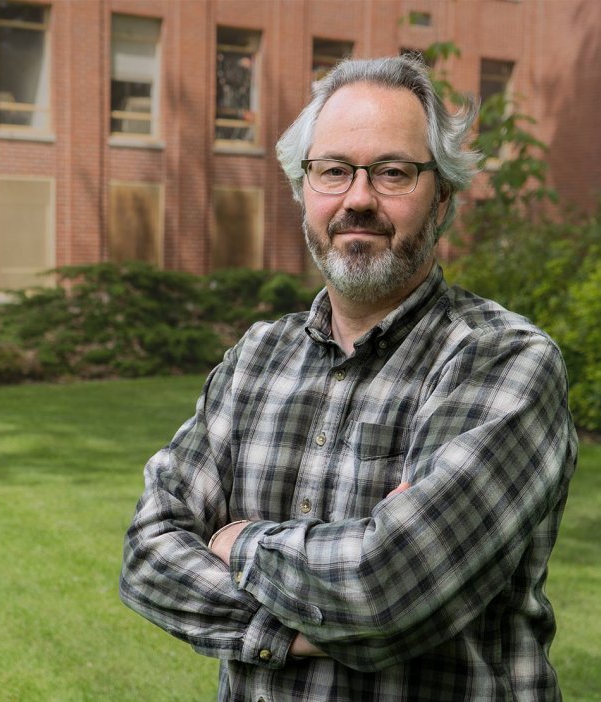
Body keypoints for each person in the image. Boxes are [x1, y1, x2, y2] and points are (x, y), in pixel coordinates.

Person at [120, 55, 577, 702]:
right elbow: (147, 556)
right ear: (303, 189)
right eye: (333, 171)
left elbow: (390, 587)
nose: (357, 198)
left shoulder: (504, 362)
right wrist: (293, 626)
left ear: (442, 195)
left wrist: (237, 540)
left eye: (393, 172)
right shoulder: (254, 360)